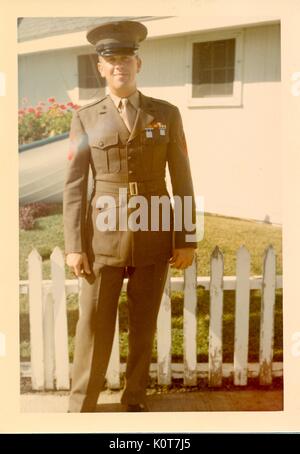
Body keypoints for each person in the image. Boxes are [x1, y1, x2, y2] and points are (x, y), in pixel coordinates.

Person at [63, 19, 197, 413]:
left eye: (128, 58)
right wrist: (75, 247)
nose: (120, 65)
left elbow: (183, 177)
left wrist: (186, 238)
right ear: (100, 67)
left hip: (154, 231)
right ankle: (82, 403)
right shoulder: (85, 118)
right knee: (94, 325)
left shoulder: (166, 114)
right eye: (112, 59)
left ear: (139, 64)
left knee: (143, 325)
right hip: (102, 235)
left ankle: (135, 396)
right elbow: (73, 186)